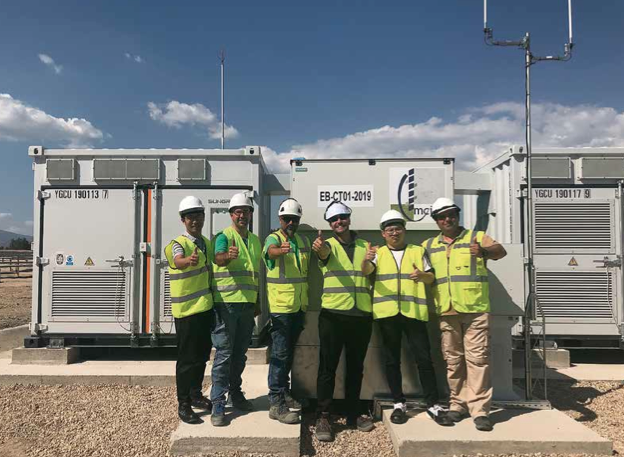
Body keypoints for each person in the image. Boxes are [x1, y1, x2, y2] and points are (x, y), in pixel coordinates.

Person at [423, 197, 507, 432]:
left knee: (477, 360)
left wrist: (484, 252)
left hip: (474, 310)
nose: (447, 219)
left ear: (457, 215)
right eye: (442, 217)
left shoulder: (476, 237)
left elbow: (500, 251)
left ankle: (480, 411)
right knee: (453, 361)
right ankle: (457, 405)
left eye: (451, 214)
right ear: (436, 221)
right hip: (447, 310)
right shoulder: (429, 245)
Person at [362, 210, 453, 426]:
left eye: (398, 229)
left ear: (404, 230)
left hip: (414, 313)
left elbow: (431, 277)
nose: (394, 233)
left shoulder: (417, 251)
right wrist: (366, 259)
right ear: (383, 234)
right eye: (390, 230)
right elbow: (366, 272)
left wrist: (422, 276)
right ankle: (398, 403)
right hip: (387, 315)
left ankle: (432, 404)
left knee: (424, 360)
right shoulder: (378, 253)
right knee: (392, 361)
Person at [312, 200, 375, 442]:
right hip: (333, 315)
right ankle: (323, 415)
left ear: (349, 218)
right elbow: (323, 255)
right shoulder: (326, 246)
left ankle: (353, 413)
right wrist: (320, 248)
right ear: (330, 224)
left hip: (361, 315)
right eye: (334, 219)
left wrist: (370, 260)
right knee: (327, 368)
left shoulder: (364, 246)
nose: (339, 222)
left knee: (356, 368)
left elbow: (369, 272)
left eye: (342, 217)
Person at [210, 192, 262, 427]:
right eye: (238, 212)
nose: (242, 215)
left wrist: (257, 301)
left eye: (246, 211)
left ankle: (235, 393)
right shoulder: (224, 236)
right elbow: (218, 257)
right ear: (231, 214)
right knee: (224, 354)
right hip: (227, 304)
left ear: (251, 214)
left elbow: (254, 274)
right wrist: (226, 257)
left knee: (240, 353)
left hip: (247, 304)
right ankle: (218, 402)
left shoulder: (255, 240)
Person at [164, 196, 214, 425]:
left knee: (202, 356)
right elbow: (178, 260)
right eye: (190, 217)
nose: (195, 220)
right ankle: (183, 404)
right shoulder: (177, 243)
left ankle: (195, 394)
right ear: (183, 220)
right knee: (187, 360)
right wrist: (187, 261)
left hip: (205, 308)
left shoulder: (206, 243)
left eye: (198, 215)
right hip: (186, 312)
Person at [263, 198, 310, 425]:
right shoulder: (273, 239)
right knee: (279, 355)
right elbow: (270, 252)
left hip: (299, 307)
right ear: (280, 219)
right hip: (281, 308)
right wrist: (278, 251)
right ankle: (276, 402)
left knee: (289, 354)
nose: (291, 222)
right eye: (287, 219)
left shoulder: (303, 241)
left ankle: (284, 391)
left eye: (294, 219)